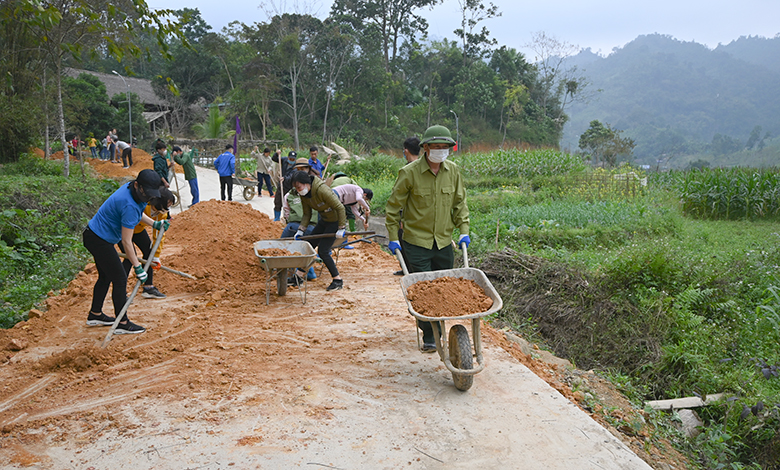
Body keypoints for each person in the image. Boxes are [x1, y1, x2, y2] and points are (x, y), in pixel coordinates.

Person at [385, 124, 470, 353]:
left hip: (443, 241)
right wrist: (393, 237)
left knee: (444, 288)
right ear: (425, 148)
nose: (440, 150)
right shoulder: (409, 173)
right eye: (436, 146)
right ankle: (431, 334)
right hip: (416, 242)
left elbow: (459, 203)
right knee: (423, 290)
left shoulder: (453, 172)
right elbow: (393, 208)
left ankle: (441, 326)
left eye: (445, 147)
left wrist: (463, 229)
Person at [82, 169, 168, 334]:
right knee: (120, 278)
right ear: (137, 185)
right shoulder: (128, 202)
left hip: (96, 235)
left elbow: (137, 212)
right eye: (146, 193)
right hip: (98, 240)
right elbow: (127, 242)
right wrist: (137, 267)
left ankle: (95, 314)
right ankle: (122, 323)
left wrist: (154, 223)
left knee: (106, 276)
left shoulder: (135, 192)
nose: (148, 197)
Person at [292, 170, 347, 291]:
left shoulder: (322, 190)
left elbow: (340, 207)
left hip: (335, 222)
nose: (298, 190)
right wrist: (301, 230)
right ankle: (299, 277)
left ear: (306, 183)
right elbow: (307, 214)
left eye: (299, 187)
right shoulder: (305, 195)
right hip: (324, 220)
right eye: (296, 188)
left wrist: (341, 228)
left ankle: (337, 280)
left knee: (323, 251)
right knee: (309, 246)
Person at [120, 187, 175, 299]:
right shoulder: (143, 205)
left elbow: (159, 233)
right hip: (123, 230)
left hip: (138, 230)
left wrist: (156, 256)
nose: (167, 209)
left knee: (149, 253)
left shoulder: (162, 213)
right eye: (167, 205)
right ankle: (120, 292)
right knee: (130, 257)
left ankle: (148, 288)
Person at [281, 188, 318, 281]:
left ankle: (286, 270)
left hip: (294, 226)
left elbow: (287, 212)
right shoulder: (315, 193)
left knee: (282, 245)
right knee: (305, 248)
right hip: (312, 227)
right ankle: (310, 273)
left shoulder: (288, 195)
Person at [271, 150, 299, 220]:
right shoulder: (284, 160)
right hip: (281, 185)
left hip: (289, 187)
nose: (291, 160)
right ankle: (277, 218)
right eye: (290, 159)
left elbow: (291, 176)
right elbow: (274, 159)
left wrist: (284, 178)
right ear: (288, 157)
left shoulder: (296, 166)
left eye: (293, 159)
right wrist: (277, 153)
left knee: (288, 203)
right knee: (278, 201)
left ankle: (288, 218)